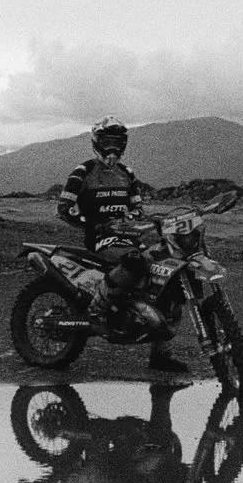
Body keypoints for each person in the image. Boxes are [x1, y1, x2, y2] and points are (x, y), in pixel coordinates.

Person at [57, 117, 187, 372]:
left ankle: (161, 355)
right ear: (97, 142)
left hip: (128, 237)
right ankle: (97, 309)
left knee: (168, 279)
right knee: (135, 263)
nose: (112, 149)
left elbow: (137, 208)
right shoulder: (82, 171)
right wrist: (94, 224)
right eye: (107, 142)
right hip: (100, 239)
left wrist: (133, 219)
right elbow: (64, 209)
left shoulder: (127, 173)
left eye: (117, 143)